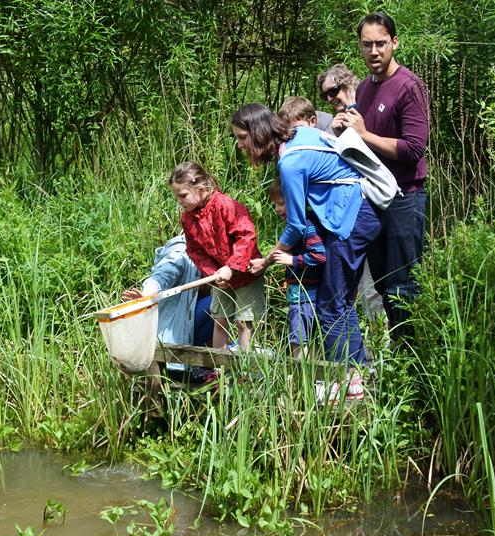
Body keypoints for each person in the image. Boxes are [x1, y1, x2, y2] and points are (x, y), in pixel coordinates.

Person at [234, 103, 381, 400]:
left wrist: (267, 259)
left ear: (257, 133)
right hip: (363, 213)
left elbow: (296, 226)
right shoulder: (301, 134)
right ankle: (353, 376)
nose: (240, 145)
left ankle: (344, 380)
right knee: (339, 302)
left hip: (350, 218)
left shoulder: (290, 162)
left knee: (330, 304)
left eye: (241, 137)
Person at [332, 12, 429, 344]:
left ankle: (413, 367)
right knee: (384, 285)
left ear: (394, 43)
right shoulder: (366, 88)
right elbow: (360, 140)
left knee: (404, 286)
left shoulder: (409, 86)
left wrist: (363, 134)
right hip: (374, 197)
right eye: (367, 45)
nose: (374, 51)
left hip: (405, 197)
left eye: (380, 44)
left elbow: (414, 148)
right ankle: (394, 365)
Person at [316, 63, 386, 323]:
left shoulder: (369, 105)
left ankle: (387, 354)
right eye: (325, 95)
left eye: (333, 90)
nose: (330, 98)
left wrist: (358, 128)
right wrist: (334, 131)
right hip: (350, 213)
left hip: (377, 203)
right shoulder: (334, 122)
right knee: (359, 288)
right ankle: (365, 354)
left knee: (378, 286)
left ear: (349, 83)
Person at [170, 161, 265, 352]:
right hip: (219, 278)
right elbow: (194, 251)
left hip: (246, 274)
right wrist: (214, 274)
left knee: (243, 322)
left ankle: (245, 373)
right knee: (219, 320)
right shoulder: (187, 218)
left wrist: (231, 268)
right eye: (176, 197)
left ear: (202, 188)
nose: (179, 201)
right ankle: (219, 371)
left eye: (182, 195)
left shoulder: (225, 205)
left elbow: (246, 235)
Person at [122, 234, 215, 380]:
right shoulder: (180, 252)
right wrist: (146, 294)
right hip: (171, 335)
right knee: (215, 303)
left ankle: (205, 365)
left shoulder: (209, 251)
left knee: (221, 302)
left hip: (189, 328)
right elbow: (163, 275)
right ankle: (198, 366)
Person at [267, 179, 326, 358]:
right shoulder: (300, 225)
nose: (277, 209)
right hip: (299, 293)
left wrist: (291, 259)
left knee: (299, 339)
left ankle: (303, 379)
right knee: (308, 338)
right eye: (275, 204)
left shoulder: (306, 227)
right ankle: (314, 380)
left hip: (306, 295)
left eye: (281, 203)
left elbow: (320, 255)